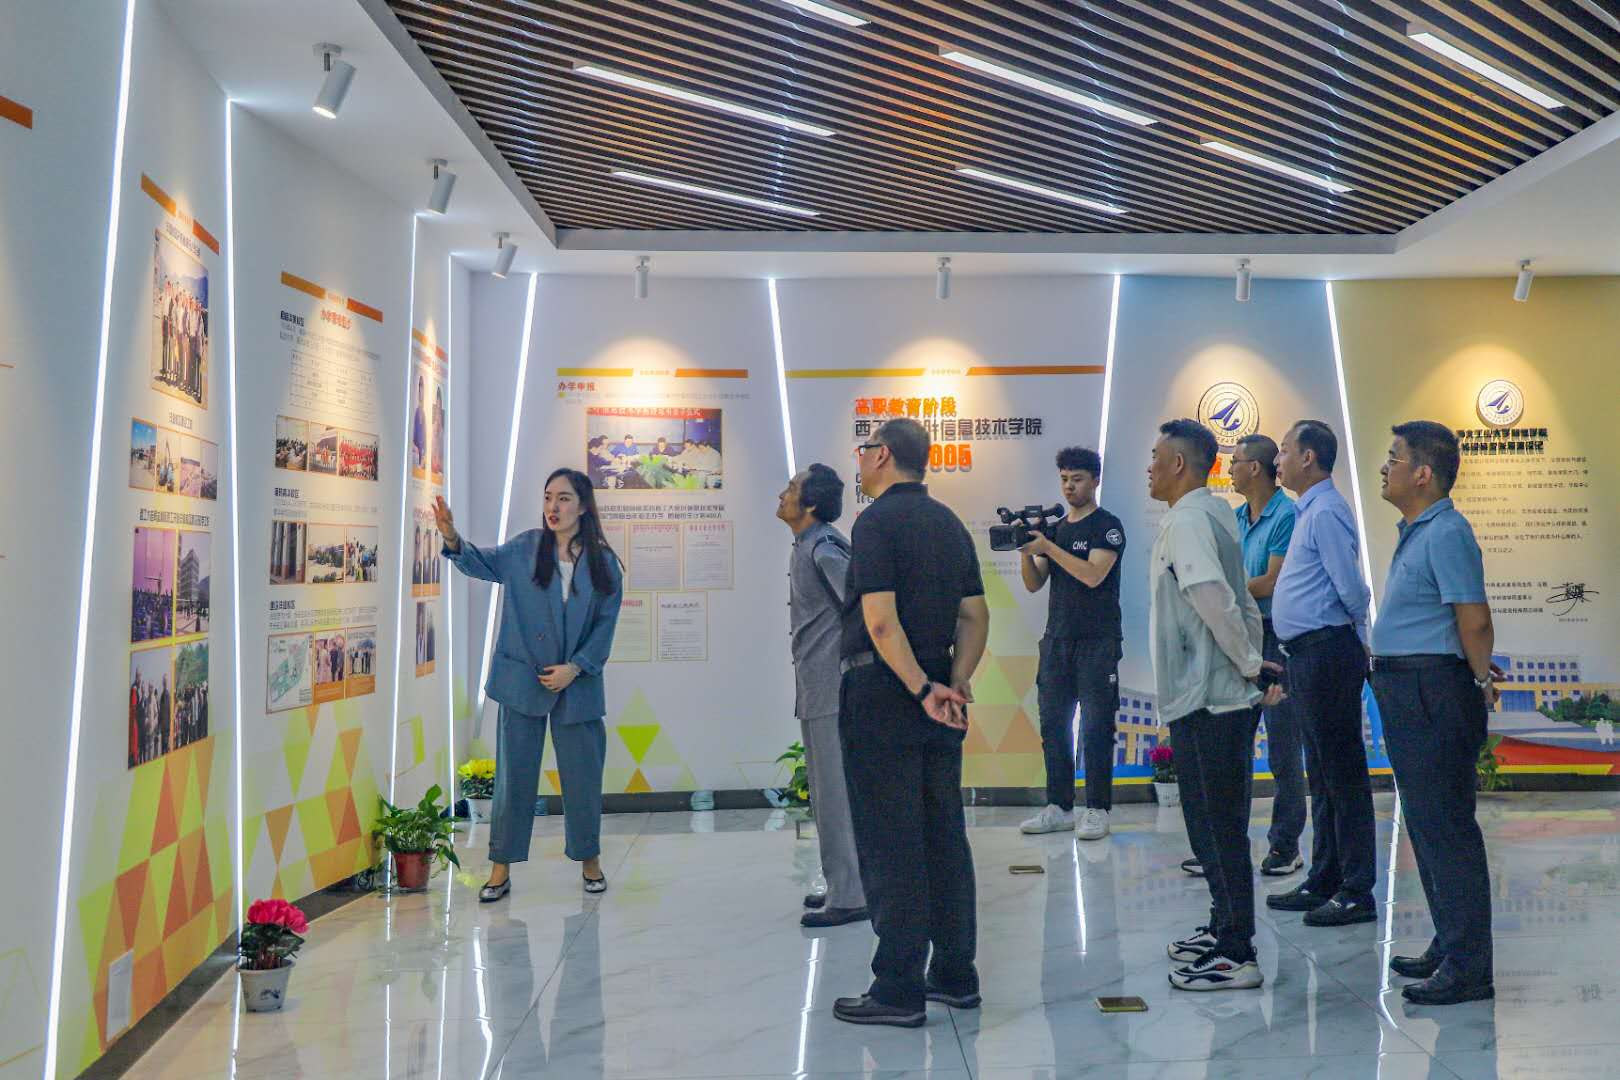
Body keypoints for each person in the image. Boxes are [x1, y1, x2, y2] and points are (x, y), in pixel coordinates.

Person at [833, 417, 990, 1027]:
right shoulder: (948, 523)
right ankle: (954, 974)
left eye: (864, 449)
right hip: (940, 696)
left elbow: (879, 620)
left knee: (890, 839)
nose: (859, 459)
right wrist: (955, 681)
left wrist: (921, 687)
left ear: (883, 456)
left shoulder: (875, 523)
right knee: (942, 831)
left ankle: (897, 987)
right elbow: (974, 616)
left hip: (885, 693)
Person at [435, 469, 624, 899]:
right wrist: (451, 537)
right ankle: (500, 869)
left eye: (564, 498)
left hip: (578, 686)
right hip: (522, 683)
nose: (553, 507)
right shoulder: (524, 549)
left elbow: (605, 626)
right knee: (513, 780)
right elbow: (480, 563)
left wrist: (575, 668)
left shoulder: (603, 563)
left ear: (583, 506)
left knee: (583, 779)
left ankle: (590, 861)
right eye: (548, 497)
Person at [1147, 419, 1281, 992]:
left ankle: (1236, 953)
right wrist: (1249, 661)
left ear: (1179, 464)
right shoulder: (1211, 514)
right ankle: (1223, 926)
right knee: (1210, 826)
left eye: (1156, 457)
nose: (1150, 467)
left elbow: (1212, 596)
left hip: (1211, 697)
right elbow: (1232, 597)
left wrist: (1249, 662)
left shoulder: (1189, 521)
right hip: (1208, 694)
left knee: (1219, 829)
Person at [1373, 421, 1497, 1005]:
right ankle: (1450, 943)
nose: (1385, 467)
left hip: (1433, 691)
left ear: (1423, 473)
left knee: (1446, 828)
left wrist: (1478, 678)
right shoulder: (1418, 530)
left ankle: (1469, 967)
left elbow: (1474, 619)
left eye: (1394, 457)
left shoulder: (1447, 531)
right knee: (1424, 824)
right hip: (1411, 688)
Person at [1267, 420, 1378, 928]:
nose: (1278, 461)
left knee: (1343, 775)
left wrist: (1358, 638)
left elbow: (1351, 588)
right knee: (1323, 775)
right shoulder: (1309, 510)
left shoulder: (1327, 511)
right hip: (1308, 655)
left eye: (1284, 451)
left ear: (1308, 457)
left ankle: (1356, 889)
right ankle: (1324, 877)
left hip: (1328, 652)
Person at [1017, 446, 1127, 841]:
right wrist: (1026, 551)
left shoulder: (1107, 526)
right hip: (1057, 641)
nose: (1069, 487)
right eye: (1064, 479)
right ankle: (1059, 807)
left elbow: (1093, 575)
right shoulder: (1056, 529)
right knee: (1054, 726)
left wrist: (1049, 548)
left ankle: (1097, 809)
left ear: (1095, 480)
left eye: (1077, 479)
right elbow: (1034, 583)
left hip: (1098, 641)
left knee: (1096, 727)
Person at [777, 463, 868, 929]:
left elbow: (862, 609)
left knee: (835, 796)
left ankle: (851, 895)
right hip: (817, 687)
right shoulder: (807, 545)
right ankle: (843, 884)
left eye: (792, 488)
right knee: (826, 794)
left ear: (810, 503)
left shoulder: (825, 548)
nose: (782, 494)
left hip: (833, 688)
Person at [1230, 434, 1306, 877]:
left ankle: (1285, 846)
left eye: (1235, 462)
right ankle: (1227, 843)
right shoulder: (1237, 517)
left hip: (1277, 637)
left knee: (1282, 747)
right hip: (1241, 635)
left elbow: (1271, 582)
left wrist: (1222, 591)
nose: (1230, 469)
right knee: (1234, 743)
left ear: (1255, 468)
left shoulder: (1286, 515)